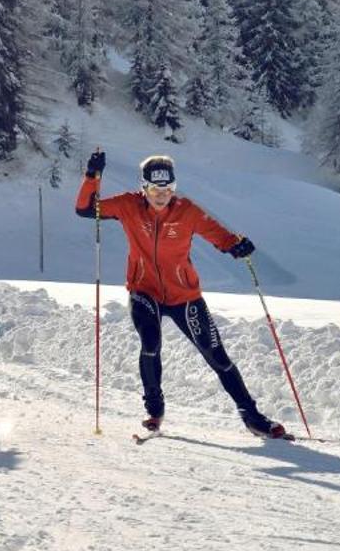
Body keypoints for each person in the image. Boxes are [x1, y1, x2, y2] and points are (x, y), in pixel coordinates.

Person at [76, 150, 288, 439]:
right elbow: (86, 209)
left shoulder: (186, 211)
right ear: (144, 187)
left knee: (217, 356)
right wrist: (92, 177)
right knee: (150, 344)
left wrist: (236, 246)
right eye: (154, 189)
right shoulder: (128, 205)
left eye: (168, 189)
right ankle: (154, 410)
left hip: (184, 295)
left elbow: (218, 234)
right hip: (143, 290)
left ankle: (253, 417)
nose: (161, 196)